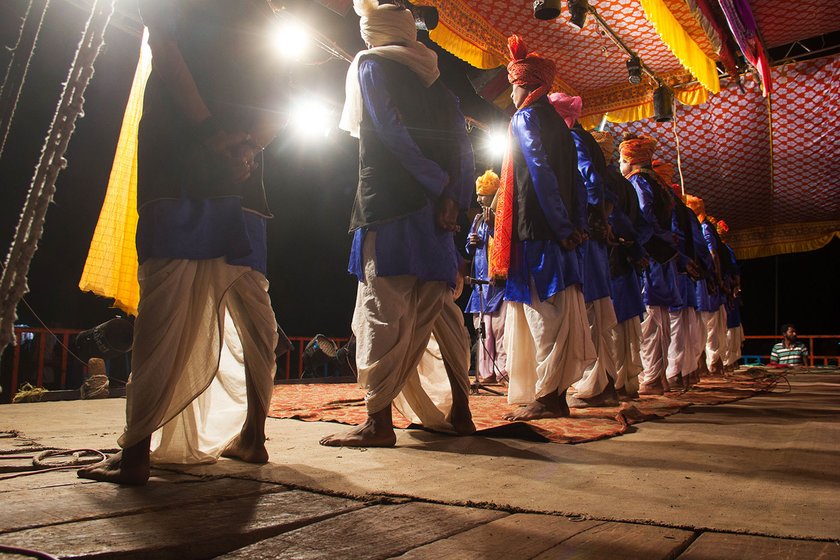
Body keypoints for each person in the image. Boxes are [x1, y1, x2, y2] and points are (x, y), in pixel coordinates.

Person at [79, 0, 285, 485]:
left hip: (180, 168)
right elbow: (281, 101)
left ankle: (136, 454)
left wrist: (214, 136)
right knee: (255, 316)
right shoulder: (265, 15)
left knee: (163, 312)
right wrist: (248, 146)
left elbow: (166, 51)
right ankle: (253, 437)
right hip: (242, 182)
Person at [320, 0, 475, 447]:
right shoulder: (438, 81)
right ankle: (461, 412)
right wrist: (454, 197)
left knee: (381, 309)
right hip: (438, 215)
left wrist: (432, 181)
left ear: (374, 33)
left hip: (390, 206)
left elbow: (389, 130)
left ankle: (379, 422)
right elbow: (463, 148)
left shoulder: (370, 65)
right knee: (442, 312)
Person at [491, 35, 594, 421]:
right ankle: (555, 394)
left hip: (539, 230)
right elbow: (578, 184)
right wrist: (577, 225)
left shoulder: (525, 117)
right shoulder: (560, 124)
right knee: (557, 311)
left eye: (514, 86)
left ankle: (548, 396)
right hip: (560, 231)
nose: (511, 95)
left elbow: (540, 172)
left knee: (542, 312)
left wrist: (562, 225)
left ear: (527, 85)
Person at [550, 94, 619, 408]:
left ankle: (597, 385)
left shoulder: (574, 139)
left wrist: (589, 219)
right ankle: (604, 382)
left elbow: (589, 181)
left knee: (590, 310)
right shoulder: (587, 139)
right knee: (598, 310)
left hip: (588, 237)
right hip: (597, 236)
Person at [619, 134, 684, 396]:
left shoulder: (638, 181)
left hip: (652, 257)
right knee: (661, 319)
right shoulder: (660, 184)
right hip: (664, 254)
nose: (620, 167)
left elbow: (643, 215)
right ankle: (659, 377)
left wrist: (639, 242)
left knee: (651, 320)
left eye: (622, 161)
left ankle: (653, 378)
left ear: (631, 162)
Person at [592, 131, 646, 400]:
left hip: (611, 254)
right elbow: (641, 222)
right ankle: (625, 384)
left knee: (610, 323)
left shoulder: (609, 178)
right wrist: (636, 249)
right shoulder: (625, 182)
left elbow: (618, 216)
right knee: (622, 324)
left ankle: (612, 384)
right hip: (625, 255)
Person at [465, 170, 508, 384]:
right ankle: (485, 373)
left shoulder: (501, 216)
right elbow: (469, 249)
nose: (480, 199)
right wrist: (470, 243)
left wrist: (492, 228)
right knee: (482, 331)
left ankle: (503, 372)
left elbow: (504, 242)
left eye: (484, 195)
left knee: (499, 328)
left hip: (497, 281)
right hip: (480, 283)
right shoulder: (477, 218)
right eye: (479, 195)